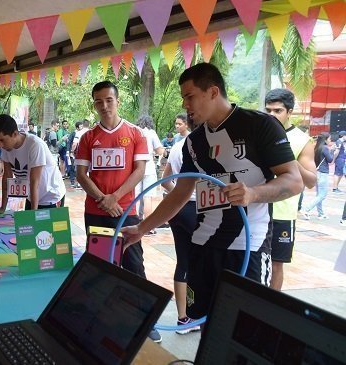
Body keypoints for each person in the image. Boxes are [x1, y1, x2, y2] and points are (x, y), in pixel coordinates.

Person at [121, 63, 303, 322]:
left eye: (190, 96)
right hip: (203, 245)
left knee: (243, 328)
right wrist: (141, 228)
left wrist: (252, 193)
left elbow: (294, 181)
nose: (185, 104)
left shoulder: (260, 125)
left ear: (213, 92)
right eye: (183, 98)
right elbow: (180, 193)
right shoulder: (194, 142)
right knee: (203, 321)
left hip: (246, 246)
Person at [75, 81, 158, 341]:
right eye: (99, 101)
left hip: (126, 211)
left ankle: (145, 319)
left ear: (117, 100)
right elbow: (81, 174)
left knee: (134, 262)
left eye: (109, 99)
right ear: (94, 103)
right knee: (99, 261)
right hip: (96, 210)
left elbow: (140, 171)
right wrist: (103, 199)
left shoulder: (135, 133)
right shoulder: (88, 137)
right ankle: (97, 313)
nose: (104, 105)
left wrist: (116, 198)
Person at [264, 88, 317, 291]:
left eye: (277, 111)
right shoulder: (260, 133)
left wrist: (289, 160)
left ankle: (269, 310)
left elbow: (311, 181)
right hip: (258, 208)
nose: (272, 115)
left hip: (283, 213)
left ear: (290, 111)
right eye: (268, 110)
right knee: (251, 259)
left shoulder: (302, 140)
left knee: (277, 264)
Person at [160, 120, 200, 334]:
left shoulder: (177, 146)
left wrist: (178, 197)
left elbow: (165, 180)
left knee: (183, 262)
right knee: (204, 263)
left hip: (178, 211)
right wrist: (187, 195)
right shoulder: (204, 145)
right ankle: (198, 314)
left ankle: (183, 318)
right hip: (196, 210)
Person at [0, 114, 65, 212]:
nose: (0, 145)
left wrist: (32, 215)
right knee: (28, 226)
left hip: (51, 197)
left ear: (14, 134)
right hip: (32, 197)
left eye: (2, 140)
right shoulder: (6, 147)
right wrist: (2, 208)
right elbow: (7, 178)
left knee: (40, 226)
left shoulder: (35, 145)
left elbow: (35, 182)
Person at [135, 114, 164, 223]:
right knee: (148, 197)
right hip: (149, 168)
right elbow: (160, 151)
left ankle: (135, 222)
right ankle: (147, 225)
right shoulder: (151, 133)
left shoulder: (135, 132)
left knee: (136, 197)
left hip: (136, 168)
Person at [302, 133, 335, 220]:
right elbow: (330, 160)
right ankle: (306, 209)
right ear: (325, 139)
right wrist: (332, 151)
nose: (330, 140)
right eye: (329, 139)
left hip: (317, 173)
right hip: (323, 173)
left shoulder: (317, 147)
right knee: (322, 195)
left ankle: (320, 213)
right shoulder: (325, 148)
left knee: (319, 194)